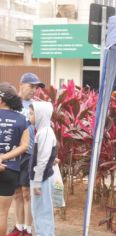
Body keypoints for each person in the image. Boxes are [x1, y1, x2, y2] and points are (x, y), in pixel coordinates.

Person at [7, 73, 44, 236]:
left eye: (36, 87)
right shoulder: (11, 105)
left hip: (30, 154)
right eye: (32, 86)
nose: (34, 90)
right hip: (14, 154)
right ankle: (18, 226)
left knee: (27, 193)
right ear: (21, 84)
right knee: (16, 193)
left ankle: (28, 230)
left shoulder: (37, 106)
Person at [0, 82, 29, 236]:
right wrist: (3, 157)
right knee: (2, 214)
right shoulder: (21, 119)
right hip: (10, 170)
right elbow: (24, 146)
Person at [28, 101, 57, 235]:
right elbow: (46, 155)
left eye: (32, 113)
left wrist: (37, 182)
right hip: (40, 178)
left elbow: (42, 160)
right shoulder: (43, 131)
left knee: (42, 213)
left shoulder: (44, 132)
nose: (29, 116)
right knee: (39, 211)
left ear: (41, 115)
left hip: (41, 179)